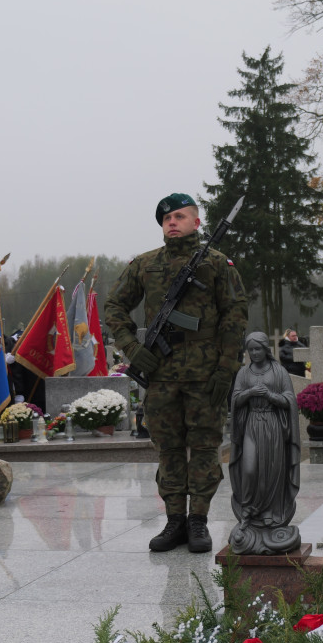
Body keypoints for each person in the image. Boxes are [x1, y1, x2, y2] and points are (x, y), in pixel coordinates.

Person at [104, 193, 247, 553]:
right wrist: (133, 348)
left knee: (203, 448)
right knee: (167, 449)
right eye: (166, 218)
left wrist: (226, 370)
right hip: (161, 375)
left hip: (204, 376)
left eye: (180, 216)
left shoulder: (217, 265)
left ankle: (198, 520)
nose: (172, 222)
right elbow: (115, 305)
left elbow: (235, 316)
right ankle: (174, 520)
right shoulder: (144, 265)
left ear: (197, 223)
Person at [227, 332, 301, 554]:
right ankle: (249, 511)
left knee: (271, 471)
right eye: (250, 350)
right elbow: (235, 400)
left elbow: (289, 400)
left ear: (265, 349)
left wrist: (270, 395)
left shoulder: (278, 371)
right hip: (251, 424)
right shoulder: (243, 372)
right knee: (249, 469)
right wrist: (249, 393)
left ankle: (269, 514)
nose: (254, 353)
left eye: (258, 349)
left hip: (273, 426)